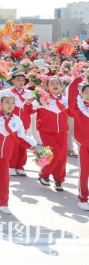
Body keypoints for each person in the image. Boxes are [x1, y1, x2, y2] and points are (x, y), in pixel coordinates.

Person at [28, 76, 69, 190]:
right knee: (53, 155)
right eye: (52, 83)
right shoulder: (42, 99)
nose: (55, 85)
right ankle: (44, 175)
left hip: (62, 132)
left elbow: (73, 113)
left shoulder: (65, 100)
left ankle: (59, 180)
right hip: (47, 132)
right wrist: (28, 102)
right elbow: (28, 110)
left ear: (60, 86)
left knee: (62, 158)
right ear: (46, 86)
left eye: (57, 83)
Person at [0, 71, 35, 176]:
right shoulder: (6, 92)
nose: (21, 82)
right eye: (18, 80)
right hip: (10, 123)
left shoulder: (29, 93)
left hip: (24, 122)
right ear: (13, 81)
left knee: (23, 144)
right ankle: (11, 166)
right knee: (12, 145)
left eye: (23, 80)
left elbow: (34, 107)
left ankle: (20, 166)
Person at [66, 74, 89, 211]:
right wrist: (81, 76)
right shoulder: (78, 106)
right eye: (87, 93)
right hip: (84, 144)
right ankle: (82, 198)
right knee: (84, 171)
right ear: (81, 94)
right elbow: (71, 91)